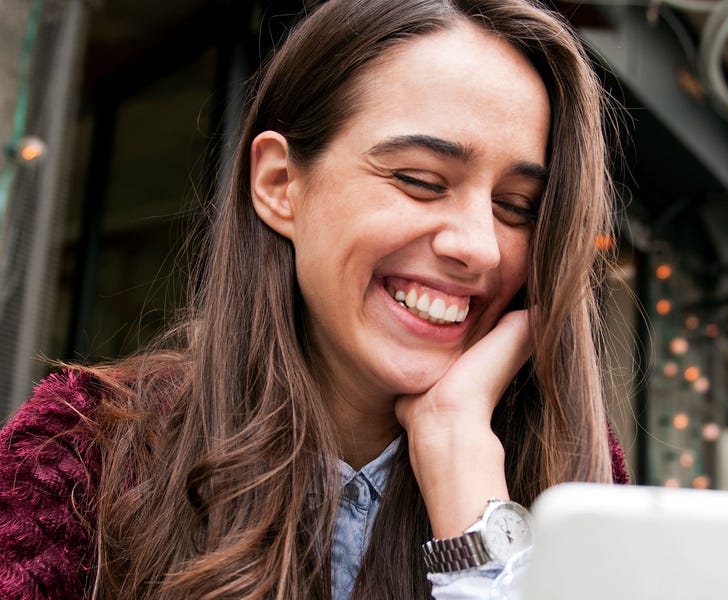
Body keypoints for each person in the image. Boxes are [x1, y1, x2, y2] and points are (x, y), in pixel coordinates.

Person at [0, 0, 628, 598]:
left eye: (516, 207)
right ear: (280, 185)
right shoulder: (82, 450)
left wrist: (469, 487)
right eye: (420, 181)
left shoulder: (580, 477)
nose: (482, 248)